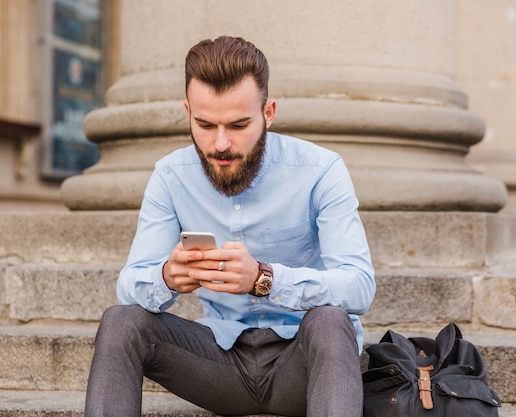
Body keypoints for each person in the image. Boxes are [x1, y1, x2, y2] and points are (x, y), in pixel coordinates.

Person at [84, 35, 376, 417]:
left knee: (331, 320)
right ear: (188, 112)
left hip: (304, 365)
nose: (221, 144)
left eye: (238, 125)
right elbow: (130, 284)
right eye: (205, 124)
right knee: (121, 323)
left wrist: (264, 278)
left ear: (268, 112)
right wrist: (168, 277)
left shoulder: (321, 170)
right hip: (218, 364)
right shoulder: (171, 176)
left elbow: (359, 286)